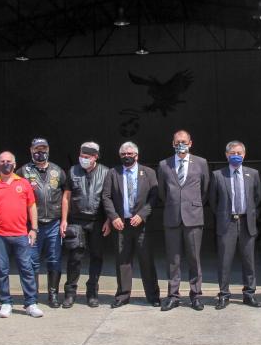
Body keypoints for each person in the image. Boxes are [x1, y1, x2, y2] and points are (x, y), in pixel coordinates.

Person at [0, 151, 43, 318]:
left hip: (21, 234)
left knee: (26, 269)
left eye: (8, 161)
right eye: (2, 161)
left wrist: (34, 229)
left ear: (14, 165)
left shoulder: (23, 183)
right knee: (1, 269)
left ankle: (31, 303)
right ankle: (6, 302)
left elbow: (32, 207)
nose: (5, 164)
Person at [102, 142, 161, 308]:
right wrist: (113, 217)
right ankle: (123, 295)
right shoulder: (112, 173)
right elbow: (106, 197)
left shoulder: (149, 173)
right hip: (121, 224)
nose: (127, 156)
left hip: (142, 225)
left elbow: (154, 197)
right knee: (123, 261)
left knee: (146, 261)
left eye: (130, 153)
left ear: (137, 155)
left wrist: (142, 215)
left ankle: (153, 295)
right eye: (123, 154)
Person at [157, 130, 210, 311]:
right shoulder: (164, 165)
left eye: (184, 141)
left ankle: (195, 295)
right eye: (178, 141)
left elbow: (204, 190)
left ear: (190, 143)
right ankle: (173, 296)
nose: (181, 144)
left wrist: (191, 206)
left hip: (193, 217)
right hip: (172, 217)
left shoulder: (201, 163)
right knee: (173, 260)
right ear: (172, 143)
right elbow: (162, 193)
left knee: (194, 259)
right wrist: (175, 205)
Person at [208, 140, 261, 309]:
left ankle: (249, 294)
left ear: (244, 155)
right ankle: (224, 295)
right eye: (233, 153)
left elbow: (257, 197)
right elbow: (213, 201)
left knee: (249, 261)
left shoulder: (253, 174)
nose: (236, 156)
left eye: (239, 153)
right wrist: (224, 215)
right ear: (226, 155)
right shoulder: (218, 175)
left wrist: (250, 214)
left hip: (247, 222)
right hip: (227, 223)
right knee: (225, 261)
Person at [18, 138, 67, 308]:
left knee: (54, 260)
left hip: (53, 222)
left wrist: (64, 220)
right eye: (37, 149)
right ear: (31, 150)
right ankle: (32, 296)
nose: (40, 152)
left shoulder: (57, 170)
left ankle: (53, 294)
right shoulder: (23, 171)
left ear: (48, 150)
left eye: (43, 149)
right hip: (33, 226)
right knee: (32, 261)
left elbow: (66, 196)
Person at [61, 141, 111, 308]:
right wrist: (64, 220)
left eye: (87, 157)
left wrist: (109, 220)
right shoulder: (73, 171)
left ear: (95, 157)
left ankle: (92, 292)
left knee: (97, 257)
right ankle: (70, 293)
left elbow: (109, 198)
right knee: (75, 257)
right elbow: (66, 197)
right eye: (81, 156)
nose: (83, 159)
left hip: (97, 221)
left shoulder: (105, 172)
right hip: (76, 221)